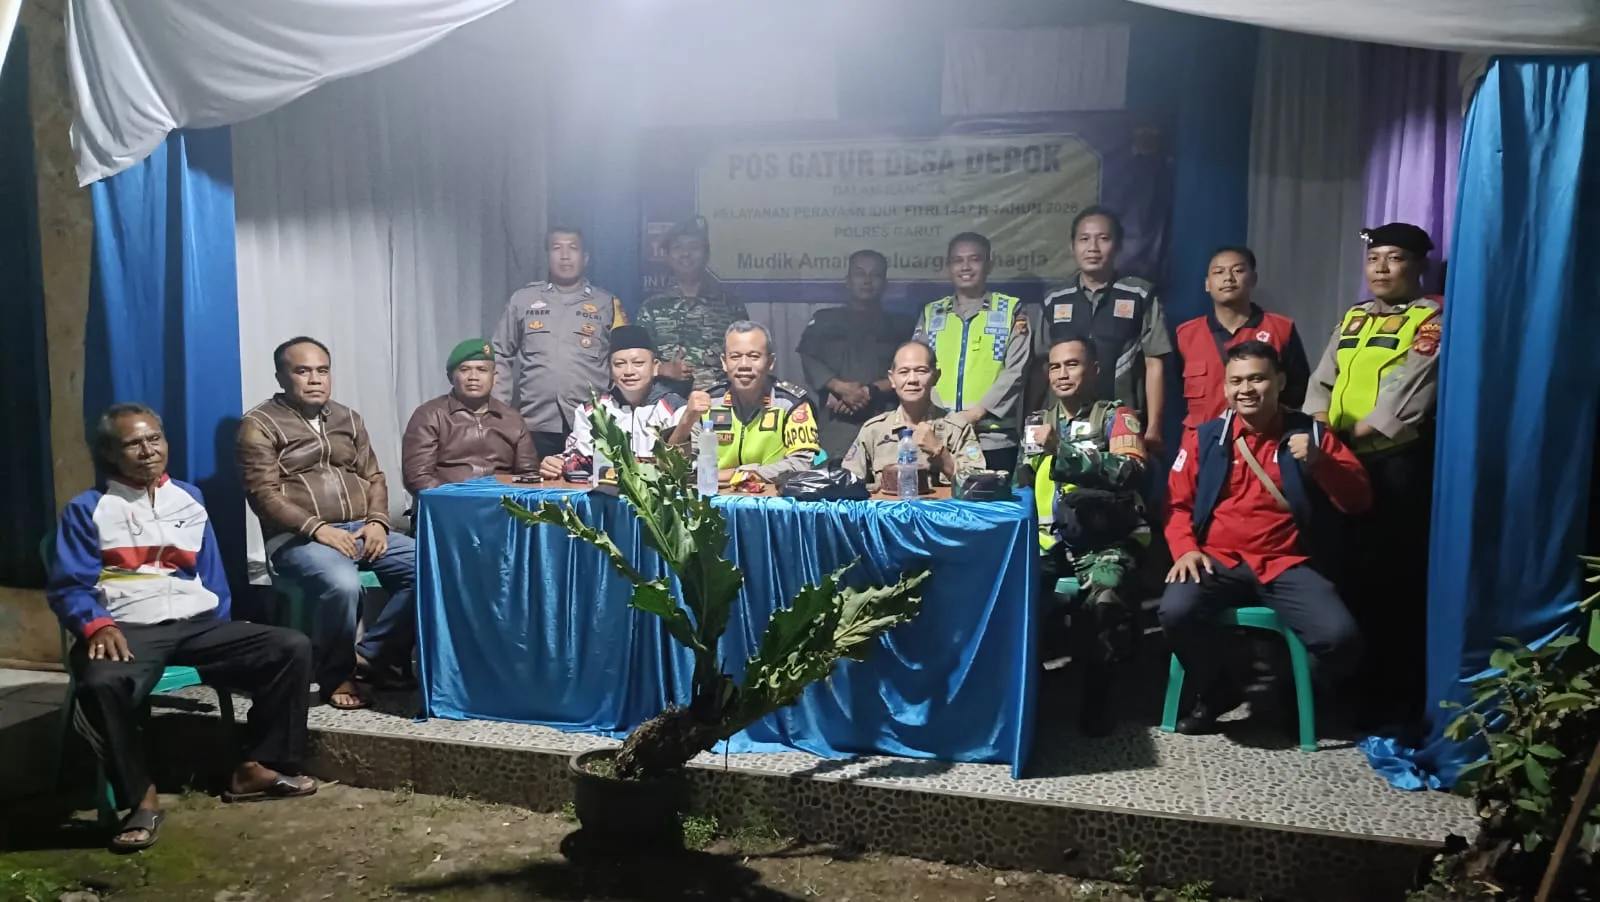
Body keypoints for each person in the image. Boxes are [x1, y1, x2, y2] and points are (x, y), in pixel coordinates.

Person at [50, 404, 316, 852]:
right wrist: (96, 626)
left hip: (196, 625)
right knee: (100, 682)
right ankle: (140, 797)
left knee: (290, 646)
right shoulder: (88, 510)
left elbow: (210, 573)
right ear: (110, 453)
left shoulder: (189, 498)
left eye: (155, 439)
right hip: (128, 627)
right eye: (133, 444)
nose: (148, 451)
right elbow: (67, 586)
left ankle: (255, 768)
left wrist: (222, 628)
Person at [1159, 342, 1371, 735]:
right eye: (1236, 381)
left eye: (1257, 378)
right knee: (1175, 612)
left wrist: (1320, 461)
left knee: (1339, 638)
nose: (1246, 389)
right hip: (1218, 559)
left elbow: (1358, 500)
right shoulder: (1206, 438)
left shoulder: (1312, 435)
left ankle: (1291, 696)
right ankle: (1217, 688)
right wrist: (1185, 550)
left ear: (1280, 381)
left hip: (1286, 562)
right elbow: (1176, 504)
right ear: (1225, 388)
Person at [1302, 222, 1443, 729]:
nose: (1380, 268)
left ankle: (1393, 701)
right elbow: (1322, 382)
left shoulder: (1430, 320)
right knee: (1343, 575)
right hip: (1339, 462)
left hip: (1392, 466)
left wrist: (1347, 435)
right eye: (1374, 258)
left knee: (1392, 584)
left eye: (1394, 258)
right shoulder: (1355, 317)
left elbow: (1409, 393)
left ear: (1417, 266)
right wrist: (1321, 429)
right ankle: (1346, 693)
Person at [238, 337, 417, 711]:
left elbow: (374, 476)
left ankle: (372, 655)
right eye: (302, 371)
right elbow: (263, 495)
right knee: (342, 583)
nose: (315, 379)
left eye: (322, 370)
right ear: (281, 377)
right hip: (297, 539)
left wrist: (378, 522)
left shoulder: (348, 419)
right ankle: (337, 674)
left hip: (359, 529)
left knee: (431, 568)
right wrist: (318, 529)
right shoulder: (259, 425)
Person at [1021, 335, 1149, 736]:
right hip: (1049, 542)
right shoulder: (1037, 423)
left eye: (1072, 364)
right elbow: (1022, 482)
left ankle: (1098, 697)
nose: (1062, 374)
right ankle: (1029, 688)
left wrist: (1064, 451)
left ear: (1094, 370)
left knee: (1104, 600)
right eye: (1055, 366)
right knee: (1015, 596)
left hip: (1105, 540)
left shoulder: (1116, 417)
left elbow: (1131, 470)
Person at [1041, 206, 1174, 456]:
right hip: (1064, 423)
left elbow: (1154, 363)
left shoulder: (1140, 295)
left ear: (1118, 245)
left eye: (1103, 238)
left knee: (1120, 477)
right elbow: (1041, 366)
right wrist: (1035, 419)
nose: (1093, 247)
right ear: (1072, 246)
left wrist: (1154, 427)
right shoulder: (1055, 298)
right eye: (1084, 239)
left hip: (1122, 420)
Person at [491, 227, 629, 458]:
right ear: (547, 256)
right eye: (557, 248)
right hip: (535, 422)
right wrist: (500, 409)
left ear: (585, 258)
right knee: (533, 481)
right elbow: (500, 353)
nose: (565, 256)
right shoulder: (523, 300)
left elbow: (625, 358)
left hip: (592, 423)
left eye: (573, 248)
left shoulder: (606, 303)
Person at [911, 232, 1030, 474]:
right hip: (938, 435)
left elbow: (1016, 371)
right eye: (958, 260)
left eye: (974, 259)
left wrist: (975, 413)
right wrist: (940, 421)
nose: (965, 267)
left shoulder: (1010, 310)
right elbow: (917, 369)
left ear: (989, 265)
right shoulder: (932, 313)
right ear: (948, 266)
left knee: (990, 499)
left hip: (992, 439)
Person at [1174, 246, 1311, 434]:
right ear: (1207, 284)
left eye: (1238, 270)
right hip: (1202, 442)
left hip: (1263, 441)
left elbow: (1298, 390)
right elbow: (1175, 392)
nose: (1228, 278)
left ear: (1253, 279)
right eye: (1219, 272)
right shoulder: (1186, 335)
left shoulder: (1281, 329)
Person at [797, 250, 916, 459]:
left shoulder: (901, 326)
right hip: (837, 422)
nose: (867, 281)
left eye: (875, 275)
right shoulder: (825, 320)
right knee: (833, 475)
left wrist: (870, 391)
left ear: (885, 284)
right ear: (847, 281)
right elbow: (808, 358)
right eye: (860, 274)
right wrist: (839, 387)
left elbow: (912, 370)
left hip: (886, 422)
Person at [540, 325, 696, 478]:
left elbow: (689, 466)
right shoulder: (592, 410)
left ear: (655, 367)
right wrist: (557, 464)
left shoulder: (678, 410)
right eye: (619, 364)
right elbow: (578, 460)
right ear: (609, 369)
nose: (629, 371)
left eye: (638, 363)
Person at [688, 321, 819, 486]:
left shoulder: (792, 404)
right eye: (735, 357)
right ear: (724, 362)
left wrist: (741, 474)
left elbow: (801, 464)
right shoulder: (708, 402)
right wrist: (686, 419)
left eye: (754, 356)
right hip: (714, 496)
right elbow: (682, 465)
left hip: (771, 498)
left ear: (770, 362)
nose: (744, 365)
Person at [402, 338, 538, 497]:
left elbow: (528, 475)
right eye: (464, 369)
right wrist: (463, 501)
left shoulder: (512, 419)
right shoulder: (430, 415)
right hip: (446, 506)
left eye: (482, 369)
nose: (473, 376)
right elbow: (418, 478)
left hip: (502, 506)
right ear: (451, 377)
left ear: (495, 377)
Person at [841, 341, 984, 491]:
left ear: (936, 376)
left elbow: (978, 486)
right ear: (892, 379)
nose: (912, 380)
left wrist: (940, 454)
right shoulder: (874, 430)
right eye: (903, 372)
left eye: (921, 371)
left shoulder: (956, 429)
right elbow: (846, 484)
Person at [637, 216, 749, 398]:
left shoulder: (730, 305)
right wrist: (662, 369)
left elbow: (745, 357)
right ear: (667, 256)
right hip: (667, 404)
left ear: (706, 253)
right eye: (678, 248)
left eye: (693, 247)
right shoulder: (652, 308)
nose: (685, 254)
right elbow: (635, 363)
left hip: (719, 402)